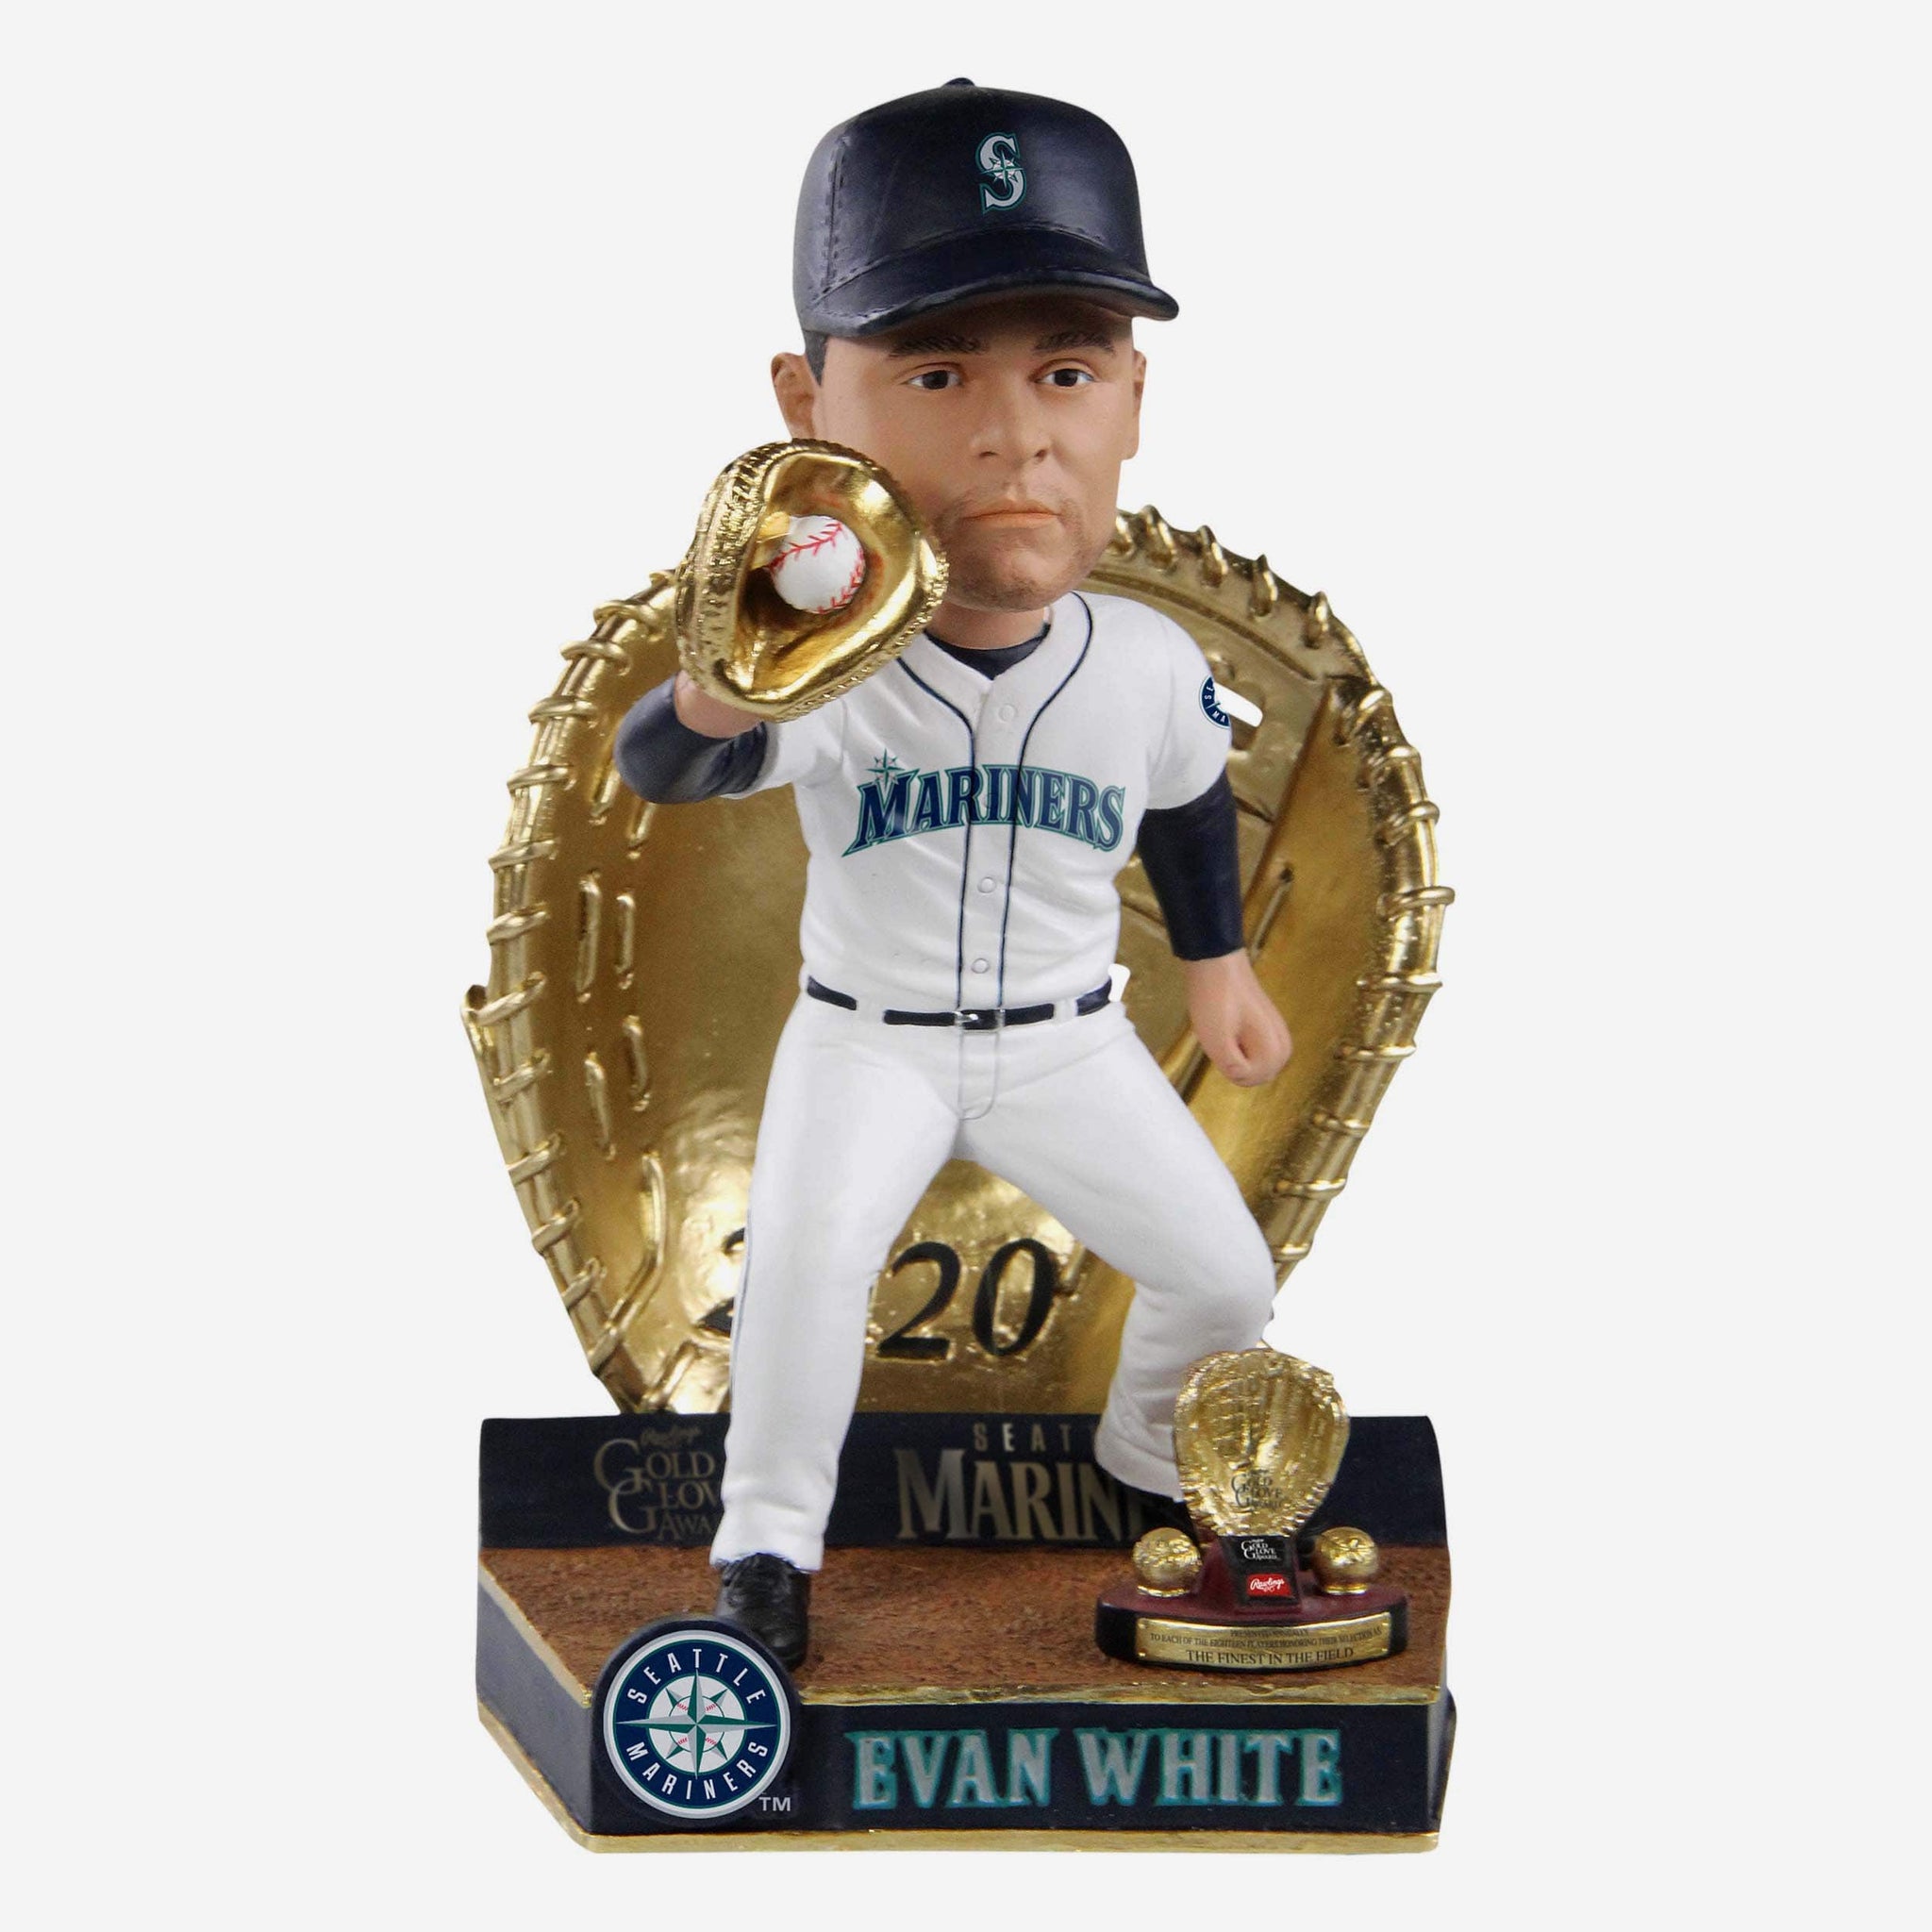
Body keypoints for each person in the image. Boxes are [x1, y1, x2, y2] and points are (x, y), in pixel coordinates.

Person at [615, 80, 1291, 1667]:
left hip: (1072, 1044)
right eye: (935, 370)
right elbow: (669, 765)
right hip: (869, 1043)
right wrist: (724, 682)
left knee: (1225, 1280)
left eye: (1067, 368)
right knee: (800, 1279)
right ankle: (766, 1552)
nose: (1013, 431)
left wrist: (1218, 966)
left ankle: (1143, 1469)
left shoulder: (1147, 659)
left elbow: (1191, 802)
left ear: (1133, 396)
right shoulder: (834, 664)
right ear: (810, 403)